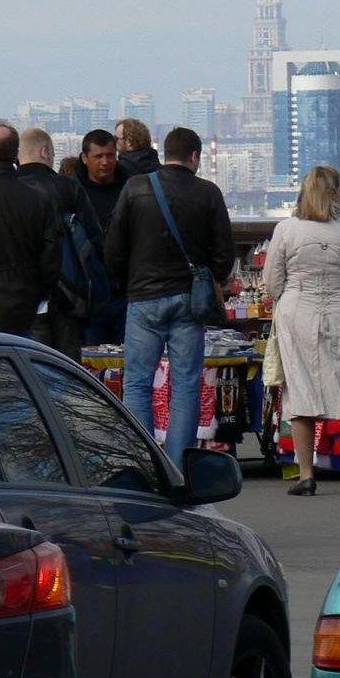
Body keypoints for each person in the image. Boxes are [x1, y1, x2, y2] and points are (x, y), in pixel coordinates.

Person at [103, 126, 236, 467]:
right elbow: (224, 255)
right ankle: (177, 465)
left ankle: (144, 462)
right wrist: (212, 278)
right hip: (188, 301)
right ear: (195, 157)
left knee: (137, 383)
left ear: (165, 153)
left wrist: (124, 284)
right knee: (186, 384)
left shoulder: (136, 188)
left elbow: (114, 246)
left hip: (143, 297)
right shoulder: (208, 193)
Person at [262, 166, 340, 497]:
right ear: (336, 193)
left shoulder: (286, 229)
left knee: (301, 391)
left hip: (298, 311)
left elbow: (272, 282)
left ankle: (306, 475)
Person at [17, 127, 103, 360]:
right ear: (45, 151)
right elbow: (94, 239)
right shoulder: (68, 187)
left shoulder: (7, 190)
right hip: (68, 294)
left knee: (30, 367)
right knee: (67, 372)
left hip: (22, 298)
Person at [0, 122, 57, 337]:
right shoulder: (36, 198)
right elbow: (50, 255)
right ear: (15, 155)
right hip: (22, 302)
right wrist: (38, 293)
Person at [75, 129, 130, 344]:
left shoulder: (130, 187)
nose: (105, 162)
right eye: (98, 156)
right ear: (85, 158)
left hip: (124, 290)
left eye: (110, 155)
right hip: (89, 291)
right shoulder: (74, 192)